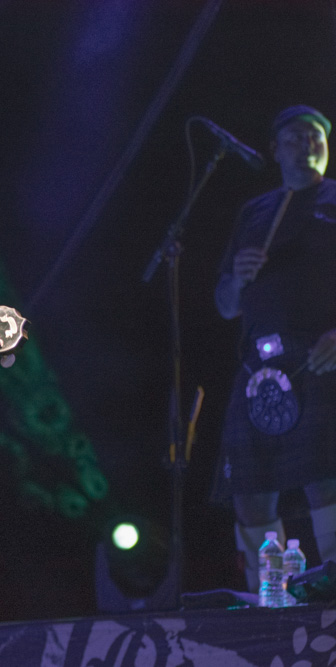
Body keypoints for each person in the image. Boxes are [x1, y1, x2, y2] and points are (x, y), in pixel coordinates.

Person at [215, 104, 336, 592]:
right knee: (251, 491)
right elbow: (224, 306)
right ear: (274, 149)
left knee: (326, 476)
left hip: (320, 357)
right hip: (259, 364)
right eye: (295, 137)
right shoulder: (255, 212)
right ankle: (272, 596)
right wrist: (238, 281)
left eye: (317, 137)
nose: (308, 145)